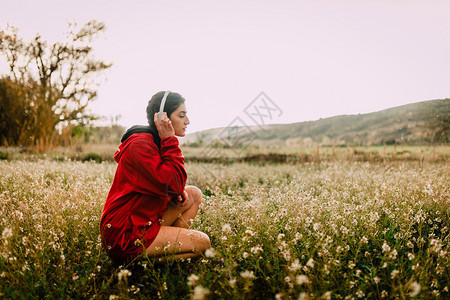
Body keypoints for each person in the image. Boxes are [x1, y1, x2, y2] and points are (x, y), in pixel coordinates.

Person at [100, 91, 211, 263]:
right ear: (161, 118)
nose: (187, 121)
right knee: (202, 243)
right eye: (181, 116)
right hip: (125, 234)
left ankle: (162, 246)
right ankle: (138, 265)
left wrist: (173, 191)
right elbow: (173, 183)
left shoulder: (153, 140)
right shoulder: (140, 145)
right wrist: (169, 140)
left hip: (142, 220)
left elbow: (167, 184)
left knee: (194, 195)